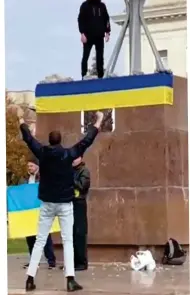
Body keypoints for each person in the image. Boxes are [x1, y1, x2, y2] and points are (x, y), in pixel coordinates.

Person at [16, 107, 104, 292]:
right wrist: (98, 121)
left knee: (40, 240)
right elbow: (87, 140)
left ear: (49, 141)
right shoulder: (69, 154)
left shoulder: (42, 153)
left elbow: (28, 139)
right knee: (68, 241)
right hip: (65, 204)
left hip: (47, 204)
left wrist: (21, 120)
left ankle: (30, 278)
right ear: (60, 141)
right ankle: (70, 280)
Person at [23, 158, 56, 270]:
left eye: (31, 166)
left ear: (37, 166)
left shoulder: (43, 177)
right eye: (28, 166)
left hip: (41, 210)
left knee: (45, 236)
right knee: (30, 237)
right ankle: (33, 261)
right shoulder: (24, 178)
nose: (29, 168)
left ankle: (51, 260)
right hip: (28, 212)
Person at [78, 0, 111, 79]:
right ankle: (83, 75)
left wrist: (107, 32)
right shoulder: (85, 6)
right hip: (88, 35)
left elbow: (106, 19)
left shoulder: (102, 5)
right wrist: (82, 33)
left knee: (100, 57)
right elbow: (80, 20)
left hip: (99, 35)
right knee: (85, 56)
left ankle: (100, 76)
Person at [73, 156, 90, 271]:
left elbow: (82, 186)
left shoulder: (84, 171)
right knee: (71, 234)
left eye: (76, 158)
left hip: (79, 204)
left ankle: (81, 262)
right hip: (70, 203)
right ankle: (73, 262)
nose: (73, 160)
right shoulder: (70, 170)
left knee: (79, 233)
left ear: (81, 158)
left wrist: (70, 180)